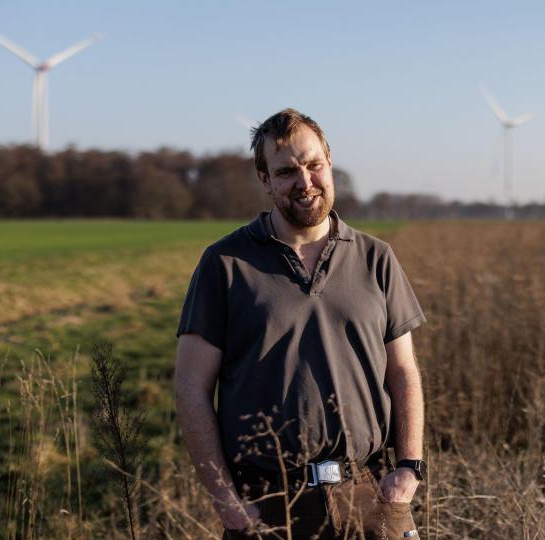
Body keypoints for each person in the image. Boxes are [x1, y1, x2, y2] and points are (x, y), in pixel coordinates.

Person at [174, 108, 427, 539]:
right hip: (270, 502)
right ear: (265, 180)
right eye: (287, 171)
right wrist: (226, 503)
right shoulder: (226, 263)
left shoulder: (375, 258)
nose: (305, 182)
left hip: (368, 491)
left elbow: (402, 371)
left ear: (330, 163)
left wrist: (408, 468)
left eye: (313, 165)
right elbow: (191, 386)